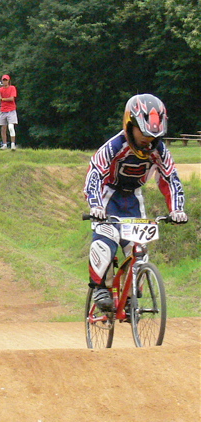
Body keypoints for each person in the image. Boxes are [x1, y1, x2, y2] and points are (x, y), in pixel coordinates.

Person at [83, 94, 187, 312]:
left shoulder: (159, 151)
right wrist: (96, 205)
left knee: (137, 250)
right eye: (144, 133)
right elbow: (94, 175)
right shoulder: (114, 146)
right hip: (108, 196)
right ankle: (100, 287)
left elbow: (170, 179)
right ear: (130, 126)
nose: (148, 140)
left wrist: (177, 209)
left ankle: (132, 297)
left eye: (153, 136)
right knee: (106, 241)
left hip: (133, 199)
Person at [0, 75, 18, 150]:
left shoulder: (12, 88)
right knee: (3, 128)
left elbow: (11, 99)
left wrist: (3, 99)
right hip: (3, 110)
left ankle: (13, 144)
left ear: (8, 81)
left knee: (11, 127)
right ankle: (4, 144)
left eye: (6, 80)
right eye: (3, 80)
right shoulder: (0, 89)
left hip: (11, 110)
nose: (5, 82)